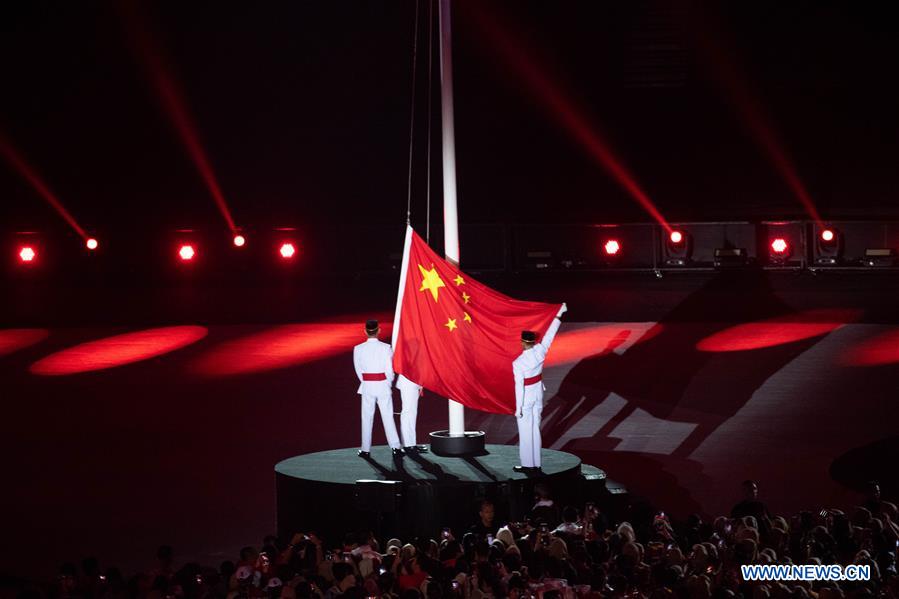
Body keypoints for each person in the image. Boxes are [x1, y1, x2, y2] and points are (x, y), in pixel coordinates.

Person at [512, 303, 566, 472]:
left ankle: (528, 464)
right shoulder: (540, 351)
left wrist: (518, 407)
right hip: (537, 393)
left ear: (522, 343)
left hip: (527, 396)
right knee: (535, 429)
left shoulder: (518, 363)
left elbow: (519, 387)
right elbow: (549, 335)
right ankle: (536, 463)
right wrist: (558, 316)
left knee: (525, 431)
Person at [353, 319, 402, 457]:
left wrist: (366, 382)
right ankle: (395, 447)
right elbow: (389, 370)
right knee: (387, 416)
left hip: (367, 386)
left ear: (365, 331)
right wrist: (387, 383)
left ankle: (365, 449)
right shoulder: (386, 348)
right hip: (382, 385)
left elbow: (358, 370)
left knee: (366, 417)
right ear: (378, 330)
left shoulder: (358, 349)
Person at [396, 374, 427, 453]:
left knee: (411, 414)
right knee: (407, 414)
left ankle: (411, 443)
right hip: (408, 382)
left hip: (413, 382)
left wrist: (420, 385)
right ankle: (408, 445)